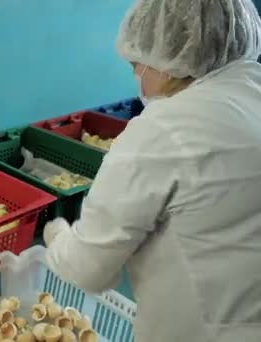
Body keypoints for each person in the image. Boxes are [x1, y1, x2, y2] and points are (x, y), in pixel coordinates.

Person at [43, 0, 261, 341]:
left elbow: (88, 269)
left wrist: (55, 235)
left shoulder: (163, 130)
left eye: (138, 65)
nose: (137, 79)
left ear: (173, 58)